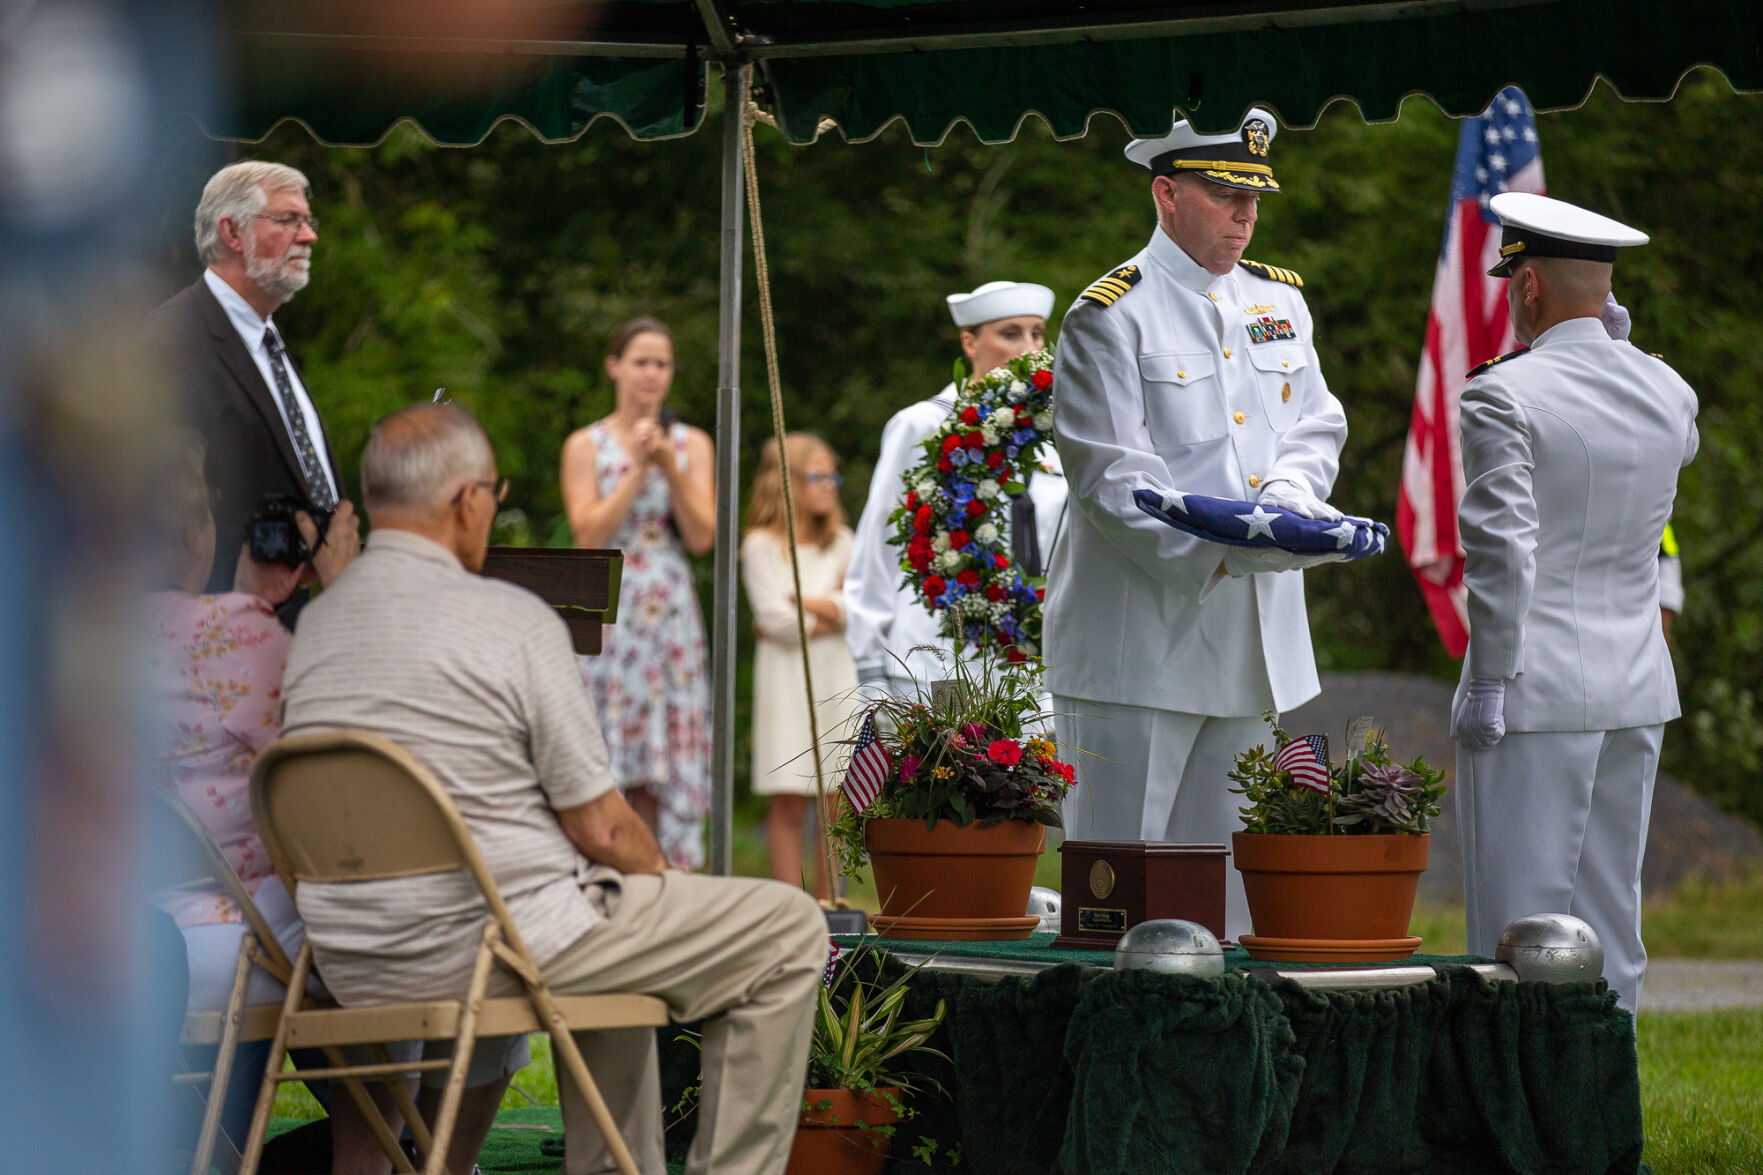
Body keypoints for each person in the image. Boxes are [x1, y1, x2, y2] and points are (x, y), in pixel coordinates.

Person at [283, 403, 827, 1175]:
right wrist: (662, 887)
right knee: (788, 926)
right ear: (467, 500)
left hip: (351, 954)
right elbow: (603, 827)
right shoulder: (511, 617)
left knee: (609, 918)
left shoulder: (317, 628)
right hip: (495, 940)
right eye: (493, 495)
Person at [1043, 110, 1350, 939]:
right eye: (1223, 196)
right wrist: (1229, 552)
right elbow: (1109, 475)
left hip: (1252, 639)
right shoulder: (1110, 314)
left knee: (1224, 900)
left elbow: (1315, 426)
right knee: (1120, 892)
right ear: (1166, 193)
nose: (1244, 216)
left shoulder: (1278, 299)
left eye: (1252, 198)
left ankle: (1217, 1061)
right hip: (1139, 640)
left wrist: (1284, 506)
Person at [1450, 193, 1697, 1014]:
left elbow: (1503, 555)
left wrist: (1486, 679)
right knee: (1609, 924)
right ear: (1607, 292)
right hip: (1634, 686)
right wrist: (1617, 345)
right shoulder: (1667, 390)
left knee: (1515, 929)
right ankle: (1604, 1117)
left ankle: (1520, 1123)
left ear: (1525, 288)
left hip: (1534, 687)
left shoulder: (1500, 394)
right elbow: (1678, 435)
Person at [141, 430, 396, 1171]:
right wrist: (342, 588)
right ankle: (386, 1158)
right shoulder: (234, 634)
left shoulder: (75, 634)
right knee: (375, 942)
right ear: (198, 531)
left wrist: (248, 599)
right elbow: (347, 736)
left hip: (127, 923)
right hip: (229, 934)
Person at [149, 160, 361, 623]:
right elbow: (163, 511)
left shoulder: (264, 337)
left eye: (308, 221)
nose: (309, 237)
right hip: (216, 647)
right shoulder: (170, 343)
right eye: (288, 220)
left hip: (302, 625)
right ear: (232, 232)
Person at [844, 281, 1064, 697]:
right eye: (1010, 333)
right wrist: (869, 663)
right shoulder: (925, 425)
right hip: (938, 654)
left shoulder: (1057, 436)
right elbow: (880, 546)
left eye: (1037, 333)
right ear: (970, 342)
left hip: (1032, 664)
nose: (1029, 347)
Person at [561, 318, 715, 870]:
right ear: (615, 366)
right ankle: (610, 867)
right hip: (612, 604)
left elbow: (702, 535)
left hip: (669, 608)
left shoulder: (691, 442)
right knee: (611, 748)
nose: (651, 374)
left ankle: (669, 874)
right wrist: (635, 471)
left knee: (665, 756)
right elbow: (588, 534)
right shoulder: (586, 445)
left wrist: (669, 465)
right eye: (641, 361)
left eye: (662, 363)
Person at [741, 433, 860, 897]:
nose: (830, 485)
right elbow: (774, 620)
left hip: (834, 673)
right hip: (785, 679)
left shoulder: (843, 542)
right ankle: (792, 907)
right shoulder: (761, 546)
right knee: (789, 797)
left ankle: (831, 904)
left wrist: (803, 601)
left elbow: (861, 610)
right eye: (818, 476)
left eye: (833, 475)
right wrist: (831, 610)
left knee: (836, 799)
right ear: (787, 481)